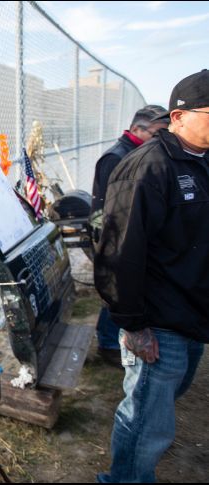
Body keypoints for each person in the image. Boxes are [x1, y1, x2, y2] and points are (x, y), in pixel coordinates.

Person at [95, 69, 209, 483]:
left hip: (192, 314)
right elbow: (117, 254)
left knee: (160, 404)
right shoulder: (146, 168)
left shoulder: (202, 161)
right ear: (178, 118)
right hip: (159, 323)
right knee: (146, 421)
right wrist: (135, 326)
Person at [90, 104, 169, 366]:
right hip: (110, 235)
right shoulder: (116, 157)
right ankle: (109, 342)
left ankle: (110, 339)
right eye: (157, 134)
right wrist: (105, 242)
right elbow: (102, 207)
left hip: (119, 233)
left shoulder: (139, 153)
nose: (162, 139)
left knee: (120, 290)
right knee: (113, 291)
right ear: (137, 129)